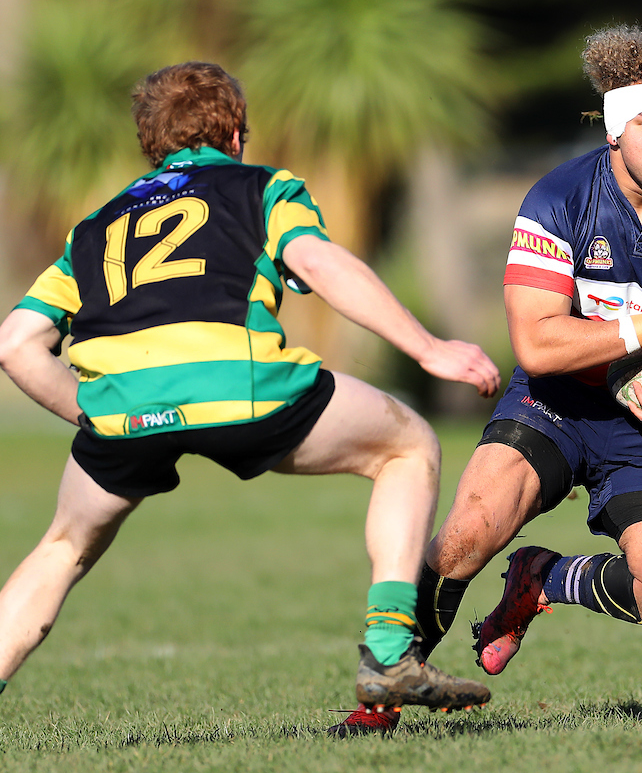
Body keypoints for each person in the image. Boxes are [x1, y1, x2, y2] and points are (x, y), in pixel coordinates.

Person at [0, 62, 502, 725]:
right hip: (238, 388)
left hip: (121, 410)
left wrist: (94, 413)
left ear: (152, 145)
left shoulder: (93, 227)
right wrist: (430, 349)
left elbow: (14, 343)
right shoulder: (264, 187)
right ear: (236, 132)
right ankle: (387, 652)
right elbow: (320, 263)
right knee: (407, 446)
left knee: (61, 549)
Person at [331, 23, 642, 735]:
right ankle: (378, 702)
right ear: (614, 131)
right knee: (466, 535)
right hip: (557, 403)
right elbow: (537, 345)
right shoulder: (559, 199)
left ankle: (544, 578)